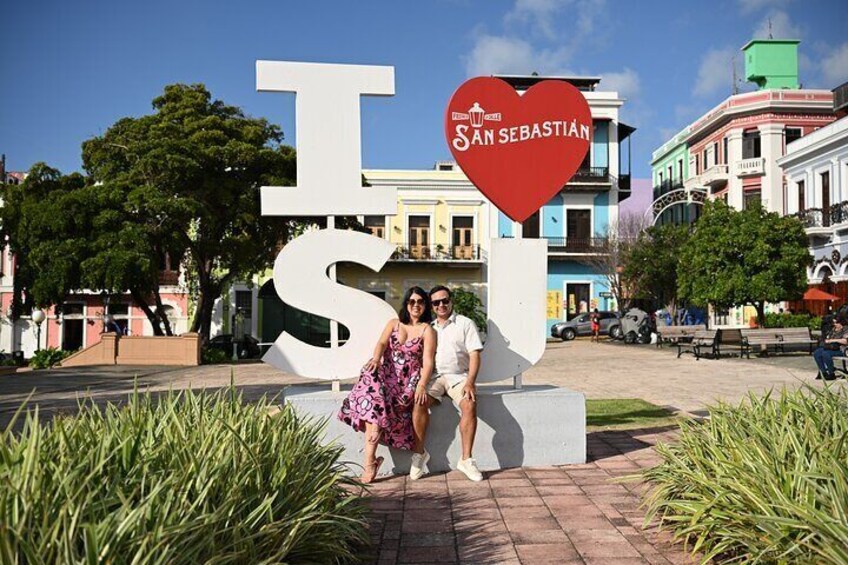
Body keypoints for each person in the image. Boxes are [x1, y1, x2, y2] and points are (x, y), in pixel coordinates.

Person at [338, 287, 436, 483]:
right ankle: (370, 460)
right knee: (370, 375)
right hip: (387, 375)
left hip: (407, 383)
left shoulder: (427, 330)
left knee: (376, 403)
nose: (416, 305)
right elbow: (382, 344)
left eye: (420, 302)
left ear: (425, 305)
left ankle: (370, 462)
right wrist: (376, 359)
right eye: (412, 301)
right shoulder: (394, 323)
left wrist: (422, 386)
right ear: (406, 304)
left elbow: (428, 361)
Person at [410, 285, 484, 482]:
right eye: (436, 302)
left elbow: (475, 355)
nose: (441, 305)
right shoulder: (428, 327)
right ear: (431, 306)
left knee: (469, 403)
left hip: (458, 377)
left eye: (445, 300)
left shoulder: (465, 323)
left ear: (451, 301)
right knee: (418, 402)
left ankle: (466, 460)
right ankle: (419, 455)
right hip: (434, 378)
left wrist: (470, 382)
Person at [813, 313, 848, 381]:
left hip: (842, 349)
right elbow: (828, 337)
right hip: (831, 348)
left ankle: (831, 373)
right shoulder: (833, 329)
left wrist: (833, 340)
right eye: (834, 322)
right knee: (817, 353)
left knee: (825, 354)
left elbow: (845, 341)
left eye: (836, 323)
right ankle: (823, 372)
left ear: (841, 322)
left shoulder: (846, 329)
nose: (835, 324)